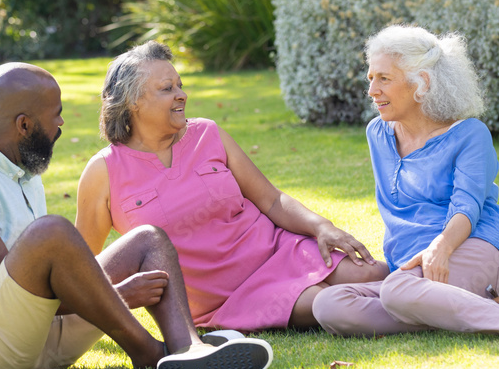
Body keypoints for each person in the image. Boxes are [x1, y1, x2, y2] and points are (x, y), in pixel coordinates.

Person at [0, 62, 273, 369]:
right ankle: (149, 353)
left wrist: (103, 292)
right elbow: (5, 290)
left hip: (38, 338)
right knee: (51, 233)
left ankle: (187, 349)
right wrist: (117, 296)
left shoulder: (20, 164)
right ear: (24, 125)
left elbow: (40, 286)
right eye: (56, 115)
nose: (61, 124)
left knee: (147, 239)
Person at [76, 42, 387, 332]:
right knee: (328, 302)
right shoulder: (104, 171)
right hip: (227, 299)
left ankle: (415, 293)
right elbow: (82, 267)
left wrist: (322, 227)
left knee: (372, 274)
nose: (181, 95)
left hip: (277, 251)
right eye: (167, 88)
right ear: (133, 102)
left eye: (180, 85)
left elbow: (271, 200)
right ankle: (415, 309)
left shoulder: (207, 133)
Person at [311, 25, 499, 351]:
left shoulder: (470, 134)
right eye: (371, 78)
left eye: (384, 78)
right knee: (328, 305)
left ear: (422, 82)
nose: (372, 90)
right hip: (409, 272)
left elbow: (467, 205)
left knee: (395, 292)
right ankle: (498, 306)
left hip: (469, 247)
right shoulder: (377, 133)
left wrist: (440, 248)